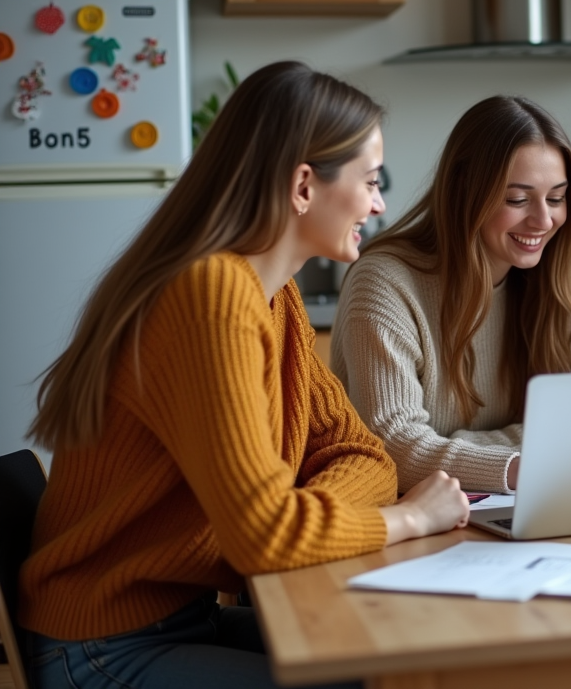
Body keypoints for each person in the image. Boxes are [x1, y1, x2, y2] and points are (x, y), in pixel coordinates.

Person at [19, 61, 471, 689]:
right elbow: (264, 538)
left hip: (182, 619)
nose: (378, 202)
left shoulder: (273, 294)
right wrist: (409, 520)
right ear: (303, 186)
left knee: (403, 659)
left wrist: (297, 518)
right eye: (369, 180)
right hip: (101, 647)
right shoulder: (210, 296)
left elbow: (363, 455)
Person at [330, 96, 571, 495]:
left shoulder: (554, 283)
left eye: (556, 198)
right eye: (517, 199)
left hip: (514, 507)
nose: (544, 220)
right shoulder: (384, 283)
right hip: (411, 522)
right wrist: (522, 462)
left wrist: (449, 447)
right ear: (464, 193)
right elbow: (391, 447)